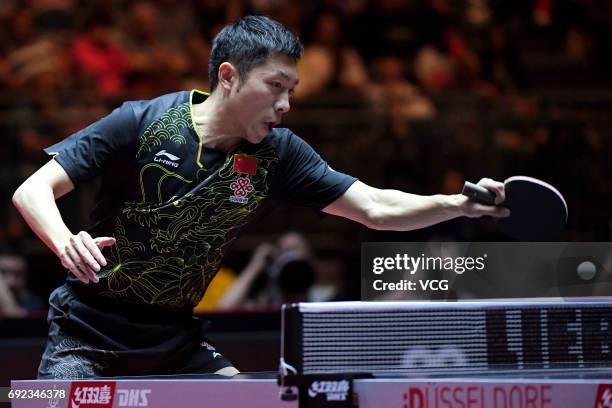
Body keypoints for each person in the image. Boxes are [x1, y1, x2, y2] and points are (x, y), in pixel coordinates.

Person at [12, 15, 508, 380]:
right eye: (275, 87)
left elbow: (375, 208)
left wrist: (457, 205)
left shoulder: (280, 155)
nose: (285, 105)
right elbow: (32, 190)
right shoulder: (141, 122)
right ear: (228, 76)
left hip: (175, 341)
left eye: (290, 90)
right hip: (87, 334)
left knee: (256, 401)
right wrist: (63, 240)